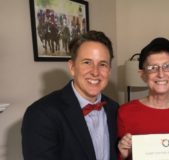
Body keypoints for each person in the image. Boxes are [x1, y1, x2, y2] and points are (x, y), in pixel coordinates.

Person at [21, 30, 119, 160]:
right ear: (72, 67)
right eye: (87, 62)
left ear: (109, 71)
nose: (95, 72)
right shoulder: (40, 114)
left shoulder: (115, 109)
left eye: (102, 64)